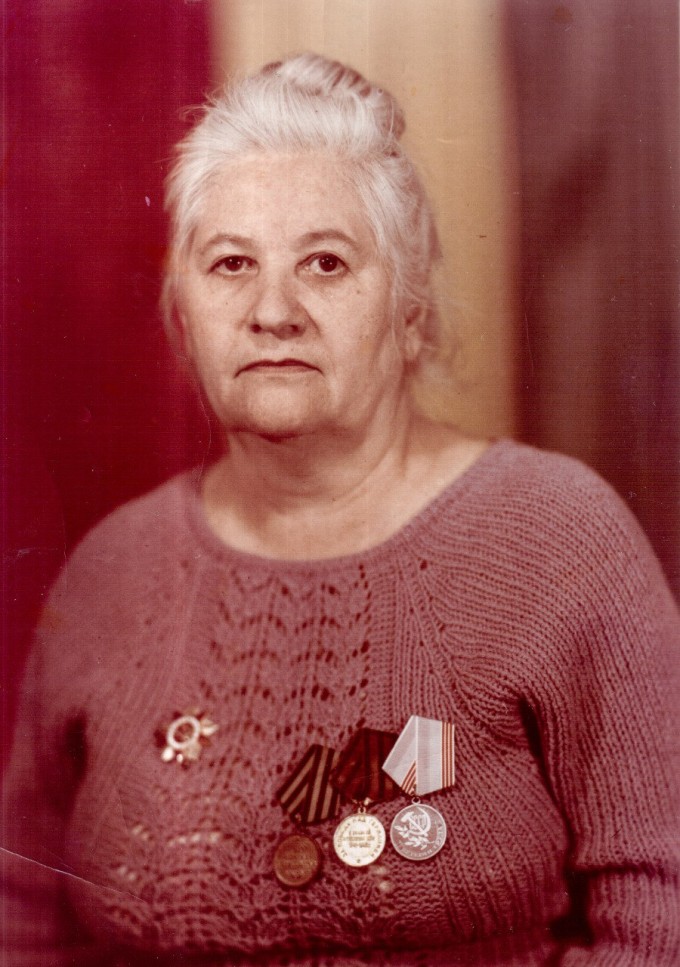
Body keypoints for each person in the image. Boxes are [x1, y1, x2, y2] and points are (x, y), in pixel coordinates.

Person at [2, 53, 678, 967]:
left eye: (325, 262)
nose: (273, 309)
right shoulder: (113, 568)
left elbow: (661, 910)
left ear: (409, 312)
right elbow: (22, 916)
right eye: (231, 263)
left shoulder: (555, 536)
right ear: (183, 317)